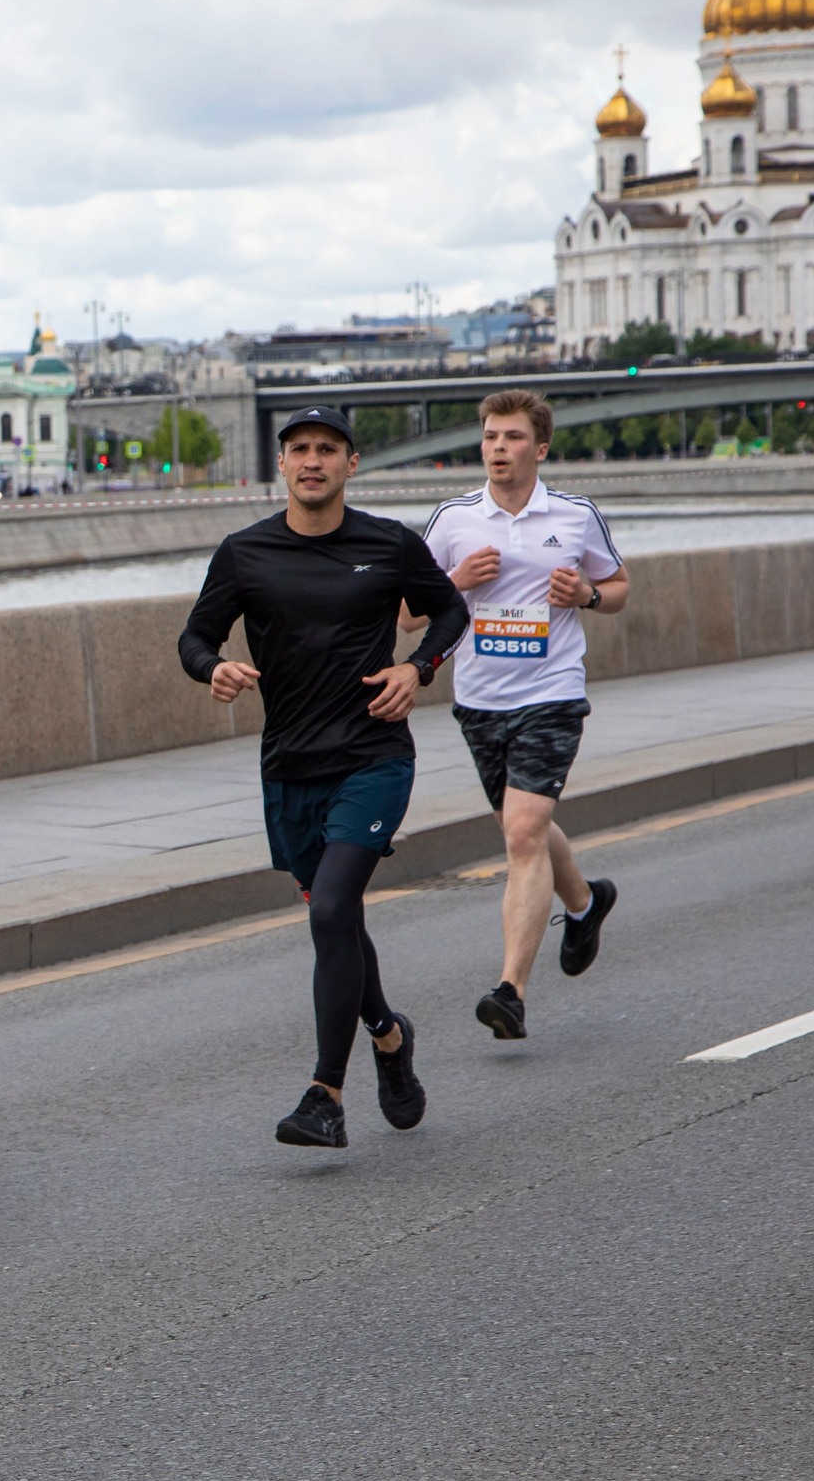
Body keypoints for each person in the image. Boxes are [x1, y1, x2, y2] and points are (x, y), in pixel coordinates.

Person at [179, 406, 469, 1149]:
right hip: (290, 769)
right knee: (336, 919)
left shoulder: (388, 542)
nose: (313, 461)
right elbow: (195, 635)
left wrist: (417, 666)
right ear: (282, 463)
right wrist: (215, 668)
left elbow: (450, 610)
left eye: (328, 449)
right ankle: (390, 1035)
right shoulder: (245, 553)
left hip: (374, 757)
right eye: (300, 449)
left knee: (332, 906)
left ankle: (325, 1094)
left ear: (351, 462)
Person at [419, 389, 627, 1040]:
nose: (497, 448)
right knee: (523, 826)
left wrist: (588, 593)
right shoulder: (454, 520)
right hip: (479, 699)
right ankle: (586, 903)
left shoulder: (574, 515)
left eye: (511, 437)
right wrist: (453, 582)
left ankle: (511, 988)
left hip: (552, 692)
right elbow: (404, 611)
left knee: (521, 833)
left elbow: (618, 587)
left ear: (540, 447)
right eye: (489, 437)